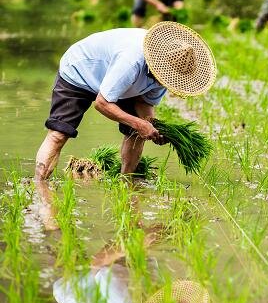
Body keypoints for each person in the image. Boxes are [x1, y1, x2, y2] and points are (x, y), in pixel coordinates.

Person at [34, 21, 217, 230]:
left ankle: (126, 183)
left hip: (122, 84)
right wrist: (138, 123)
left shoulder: (165, 76)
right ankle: (40, 191)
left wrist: (153, 127)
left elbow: (144, 103)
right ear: (157, 64)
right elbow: (102, 103)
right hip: (80, 71)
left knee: (137, 133)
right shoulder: (132, 61)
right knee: (59, 134)